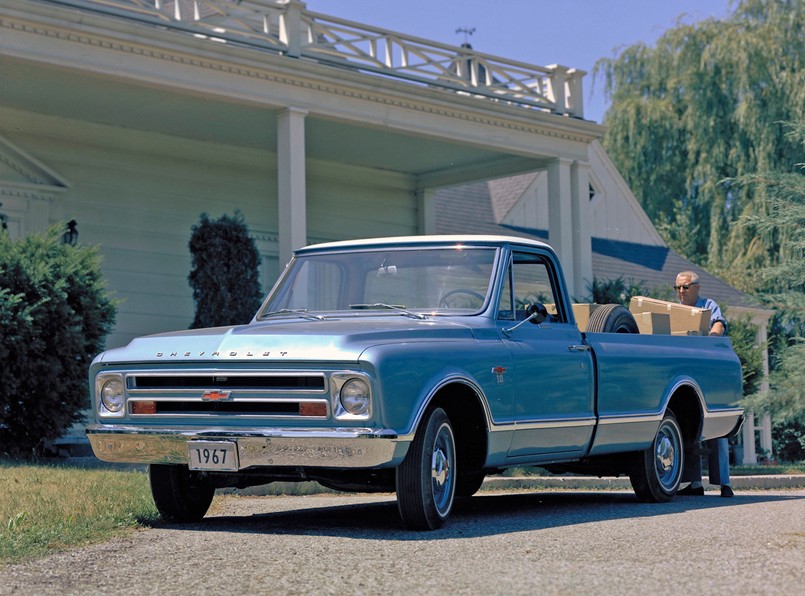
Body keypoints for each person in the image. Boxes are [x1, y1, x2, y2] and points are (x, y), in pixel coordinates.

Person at [674, 271, 734, 497]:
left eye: (685, 287)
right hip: (688, 374)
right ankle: (695, 484)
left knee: (717, 429)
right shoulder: (677, 311)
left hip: (710, 371)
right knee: (689, 427)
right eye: (678, 287)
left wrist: (707, 343)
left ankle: (725, 484)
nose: (681, 291)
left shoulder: (708, 306)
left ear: (697, 288)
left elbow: (718, 326)